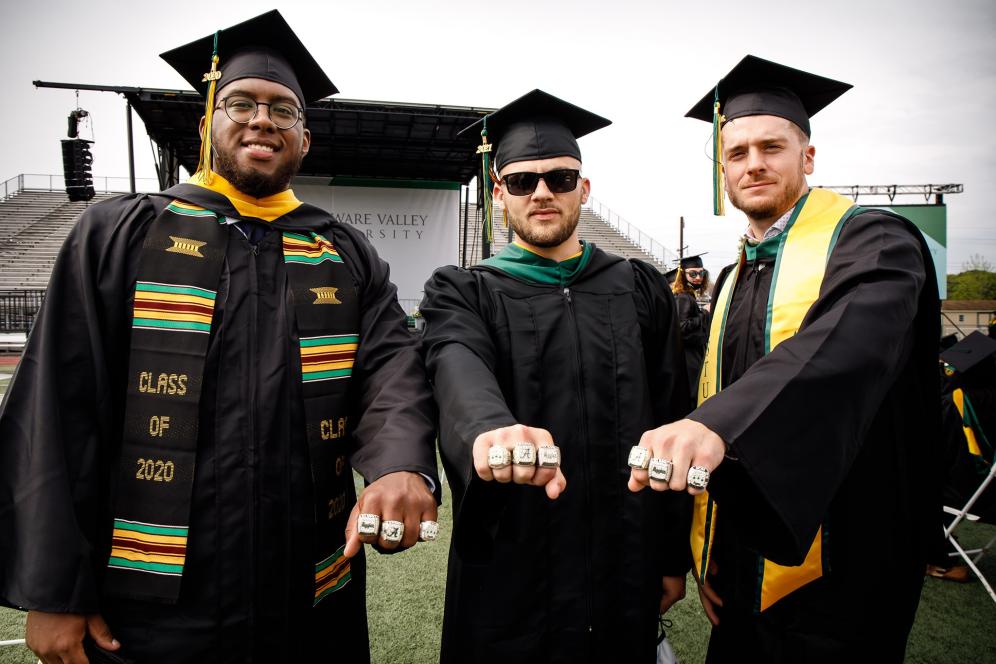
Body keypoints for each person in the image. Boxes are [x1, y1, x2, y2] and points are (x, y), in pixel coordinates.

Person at [0, 10, 439, 663]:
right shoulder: (120, 234)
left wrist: (402, 462)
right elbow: (57, 413)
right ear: (208, 126)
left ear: (305, 140)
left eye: (283, 111)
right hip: (154, 606)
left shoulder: (342, 252)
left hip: (307, 591)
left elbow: (391, 371)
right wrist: (54, 592)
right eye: (242, 104)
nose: (263, 119)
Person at [627, 55, 941, 662]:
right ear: (723, 172)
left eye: (772, 147)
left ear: (809, 157)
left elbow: (840, 347)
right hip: (745, 559)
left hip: (847, 563)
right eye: (737, 154)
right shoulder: (732, 275)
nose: (754, 164)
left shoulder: (875, 241)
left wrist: (713, 426)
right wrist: (715, 553)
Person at [420, 89, 692, 663]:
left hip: (623, 558)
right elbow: (456, 367)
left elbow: (673, 414)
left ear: (584, 189)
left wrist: (670, 556)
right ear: (499, 194)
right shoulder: (465, 291)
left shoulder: (639, 289)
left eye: (561, 179)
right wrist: (492, 430)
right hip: (512, 569)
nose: (542, 192)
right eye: (522, 182)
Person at [671, 254, 711, 402]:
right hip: (689, 356)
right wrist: (705, 313)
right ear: (683, 274)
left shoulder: (688, 295)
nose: (698, 277)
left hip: (691, 354)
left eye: (701, 273)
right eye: (693, 273)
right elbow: (682, 327)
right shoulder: (683, 297)